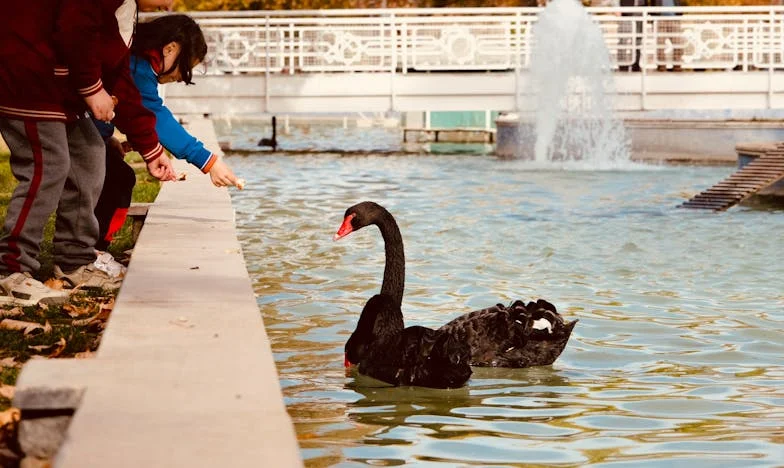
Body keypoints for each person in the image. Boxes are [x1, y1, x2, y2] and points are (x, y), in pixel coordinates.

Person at [0, 0, 176, 307]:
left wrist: (150, 147)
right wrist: (92, 88)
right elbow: (76, 26)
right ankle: (9, 271)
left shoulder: (125, 9)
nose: (170, 5)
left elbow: (117, 73)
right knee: (48, 164)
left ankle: (73, 259)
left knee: (90, 153)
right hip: (26, 72)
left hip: (58, 85)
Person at [93, 14, 240, 254]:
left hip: (85, 128)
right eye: (185, 67)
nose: (181, 77)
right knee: (118, 179)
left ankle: (92, 249)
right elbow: (154, 116)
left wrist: (107, 138)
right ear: (170, 47)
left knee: (115, 174)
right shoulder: (139, 68)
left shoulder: (136, 61)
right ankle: (91, 251)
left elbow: (128, 110)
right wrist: (209, 161)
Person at [649, 0, 684, 72]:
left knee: (678, 43)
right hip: (660, 19)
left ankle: (677, 65)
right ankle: (661, 66)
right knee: (660, 44)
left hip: (674, 19)